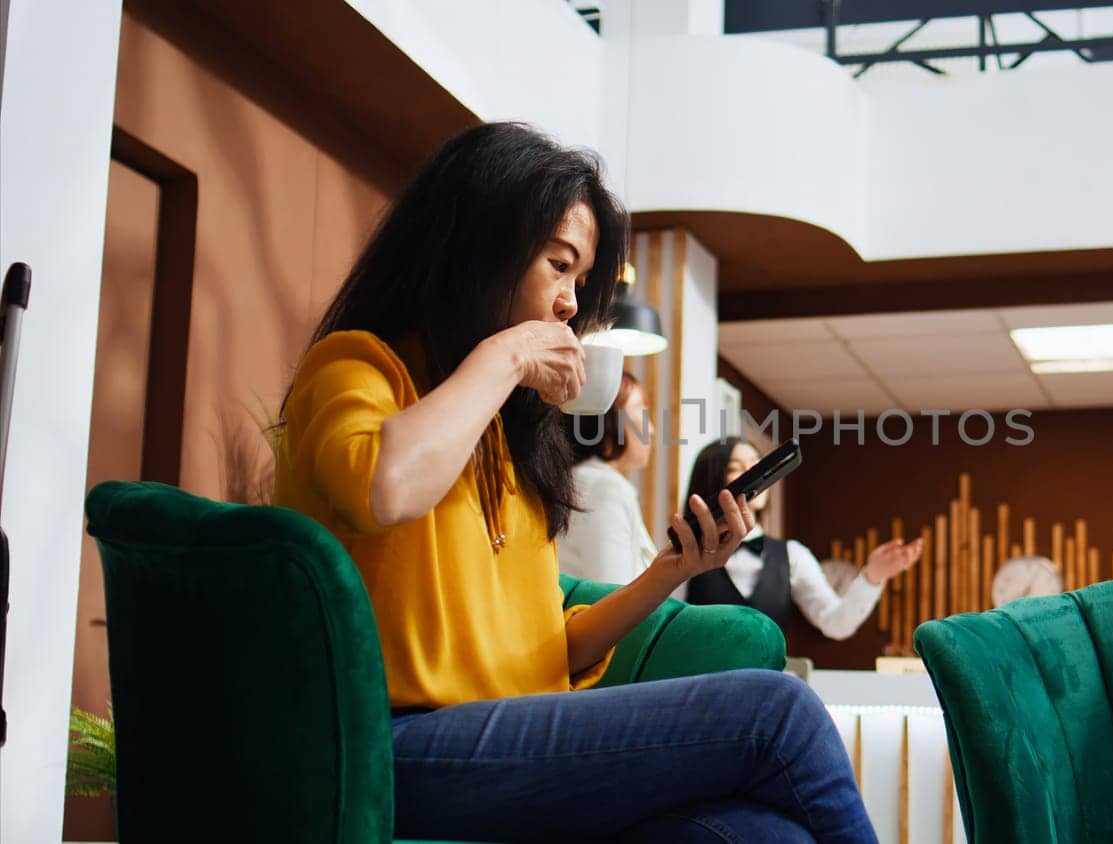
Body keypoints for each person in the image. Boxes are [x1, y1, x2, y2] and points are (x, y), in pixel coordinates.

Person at [274, 122, 874, 842]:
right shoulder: (357, 370)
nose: (568, 303)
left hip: (503, 744)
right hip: (389, 750)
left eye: (580, 281)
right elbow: (387, 486)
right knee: (780, 712)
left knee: (756, 834)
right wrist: (509, 355)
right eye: (559, 266)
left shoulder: (501, 438)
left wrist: (670, 571)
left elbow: (548, 647)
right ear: (479, 248)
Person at [681, 437, 922, 639]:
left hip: (768, 688)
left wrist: (873, 576)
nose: (752, 474)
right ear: (711, 481)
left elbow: (835, 623)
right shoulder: (684, 555)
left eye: (756, 465)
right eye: (735, 468)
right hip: (700, 687)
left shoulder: (792, 555)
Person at [558, 370, 662, 588]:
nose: (651, 429)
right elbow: (612, 592)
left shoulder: (579, 480)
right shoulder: (603, 488)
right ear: (608, 421)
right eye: (641, 412)